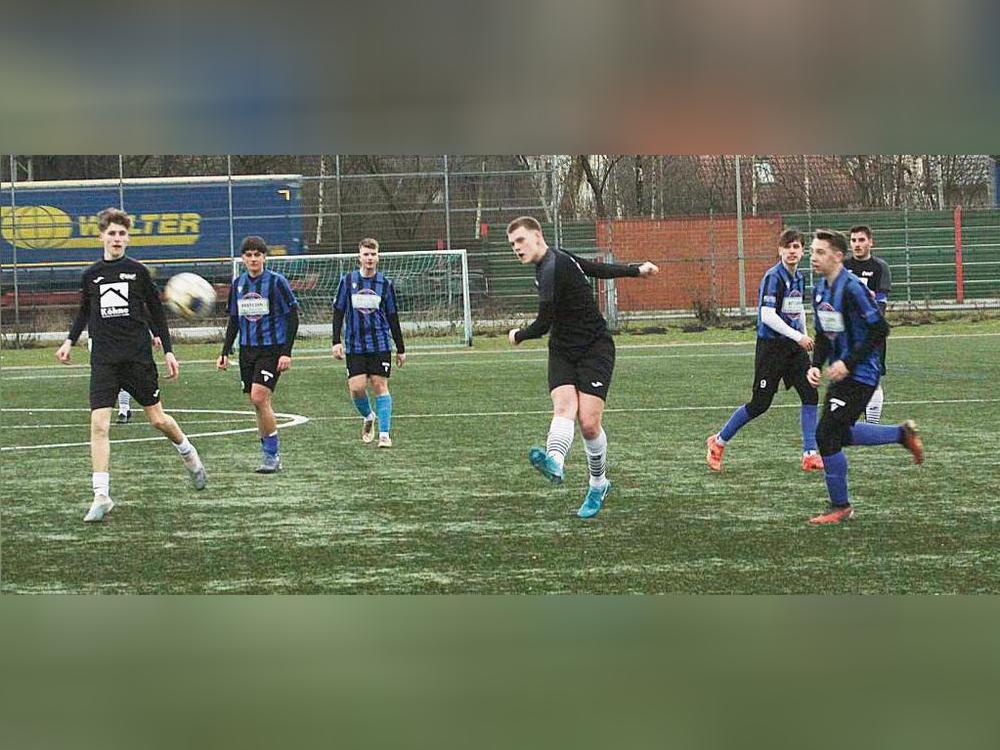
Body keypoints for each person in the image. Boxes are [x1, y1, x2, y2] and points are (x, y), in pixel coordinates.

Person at [55, 207, 206, 523]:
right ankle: (101, 494)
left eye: (122, 233)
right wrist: (69, 341)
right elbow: (84, 312)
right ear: (102, 236)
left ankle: (188, 453)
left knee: (158, 419)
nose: (117, 238)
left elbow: (157, 313)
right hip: (104, 360)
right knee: (99, 425)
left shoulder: (138, 272)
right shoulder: (91, 275)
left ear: (128, 238)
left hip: (137, 358)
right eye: (112, 233)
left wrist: (168, 351)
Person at [506, 216, 659, 518]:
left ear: (538, 236)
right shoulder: (554, 260)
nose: (516, 248)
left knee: (588, 423)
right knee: (564, 407)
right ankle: (554, 462)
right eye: (512, 244)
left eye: (520, 240)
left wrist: (518, 335)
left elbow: (543, 323)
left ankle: (598, 484)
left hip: (594, 348)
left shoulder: (554, 266)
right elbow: (595, 268)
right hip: (562, 349)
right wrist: (635, 270)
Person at [806, 228, 923, 525]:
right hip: (842, 374)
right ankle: (901, 434)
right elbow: (822, 334)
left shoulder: (853, 287)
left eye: (820, 252)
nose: (813, 257)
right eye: (813, 251)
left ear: (837, 256)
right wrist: (816, 363)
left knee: (826, 435)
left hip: (862, 374)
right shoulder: (820, 289)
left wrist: (848, 361)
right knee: (838, 433)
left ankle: (841, 506)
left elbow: (880, 329)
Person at [706, 228, 823, 472]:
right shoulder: (773, 277)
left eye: (796, 247)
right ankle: (718, 442)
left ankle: (810, 453)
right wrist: (798, 335)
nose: (792, 251)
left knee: (810, 393)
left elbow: (796, 308)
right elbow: (768, 316)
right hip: (771, 348)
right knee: (760, 404)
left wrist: (803, 333)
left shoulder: (799, 277)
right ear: (780, 250)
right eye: (787, 247)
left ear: (802, 251)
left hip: (793, 348)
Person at [217, 236, 300, 473]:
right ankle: (269, 454)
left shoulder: (276, 282)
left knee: (258, 397)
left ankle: (273, 455)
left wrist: (286, 353)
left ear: (264, 257)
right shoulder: (239, 284)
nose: (253, 259)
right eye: (249, 255)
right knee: (259, 403)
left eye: (257, 255)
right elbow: (234, 320)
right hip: (247, 351)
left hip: (272, 350)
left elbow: (292, 317)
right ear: (243, 259)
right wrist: (225, 351)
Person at [331, 238, 405, 448]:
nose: (369, 258)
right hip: (355, 344)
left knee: (380, 385)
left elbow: (392, 316)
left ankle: (384, 434)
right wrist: (336, 341)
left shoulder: (385, 284)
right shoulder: (348, 281)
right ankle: (368, 416)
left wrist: (400, 348)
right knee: (356, 387)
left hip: (380, 343)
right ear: (359, 257)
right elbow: (338, 311)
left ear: (378, 257)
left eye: (373, 254)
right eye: (366, 254)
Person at [844, 225, 891, 424]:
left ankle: (872, 424)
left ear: (870, 242)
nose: (857, 244)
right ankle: (849, 421)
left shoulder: (880, 267)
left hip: (871, 335)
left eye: (861, 240)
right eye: (853, 240)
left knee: (873, 379)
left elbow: (880, 306)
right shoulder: (842, 266)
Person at [86, 336, 160, 423]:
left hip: (121, 339)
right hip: (98, 338)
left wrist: (156, 334)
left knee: (122, 373)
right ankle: (123, 409)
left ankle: (123, 409)